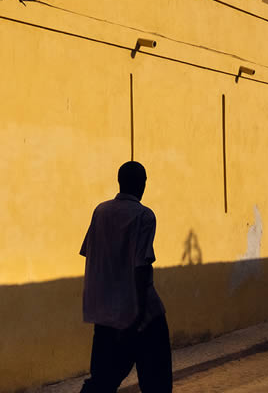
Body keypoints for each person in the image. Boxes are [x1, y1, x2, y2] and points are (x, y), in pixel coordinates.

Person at [79, 161, 172, 393]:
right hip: (141, 315)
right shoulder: (144, 216)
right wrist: (138, 316)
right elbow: (141, 267)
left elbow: (89, 252)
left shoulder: (100, 211)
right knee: (156, 382)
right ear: (143, 184)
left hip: (105, 315)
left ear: (120, 182)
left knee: (102, 381)